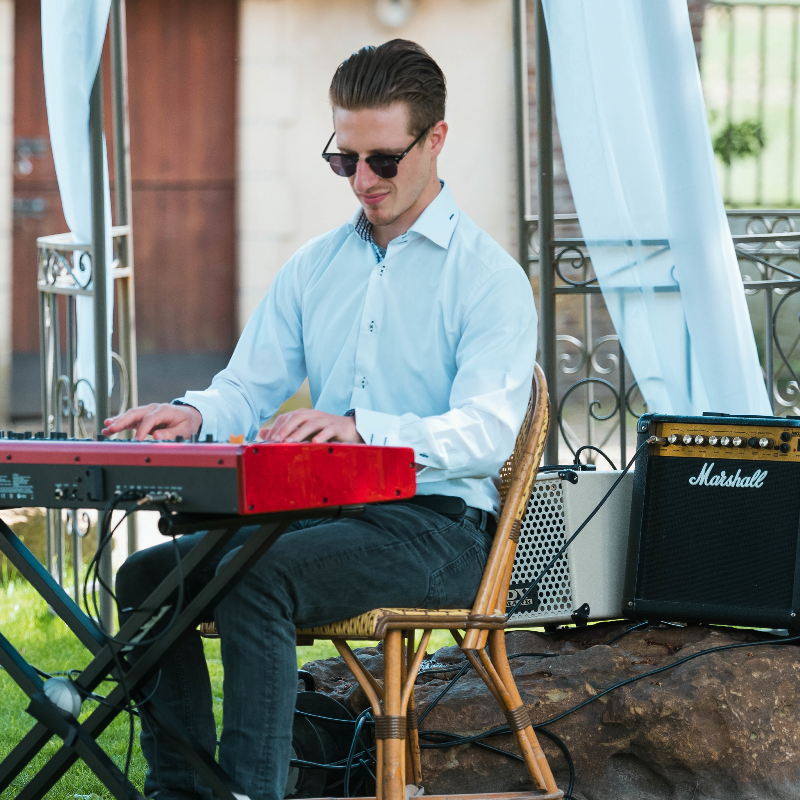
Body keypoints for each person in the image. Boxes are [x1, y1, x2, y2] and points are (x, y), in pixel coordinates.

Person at [98, 40, 536, 800]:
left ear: (435, 139)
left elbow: (488, 433)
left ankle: (252, 791)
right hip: (324, 518)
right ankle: (184, 790)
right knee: (145, 578)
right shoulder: (314, 267)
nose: (363, 181)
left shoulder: (488, 279)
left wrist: (365, 428)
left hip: (440, 528)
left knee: (254, 580)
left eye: (384, 160)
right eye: (345, 160)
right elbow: (247, 388)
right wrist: (191, 414)